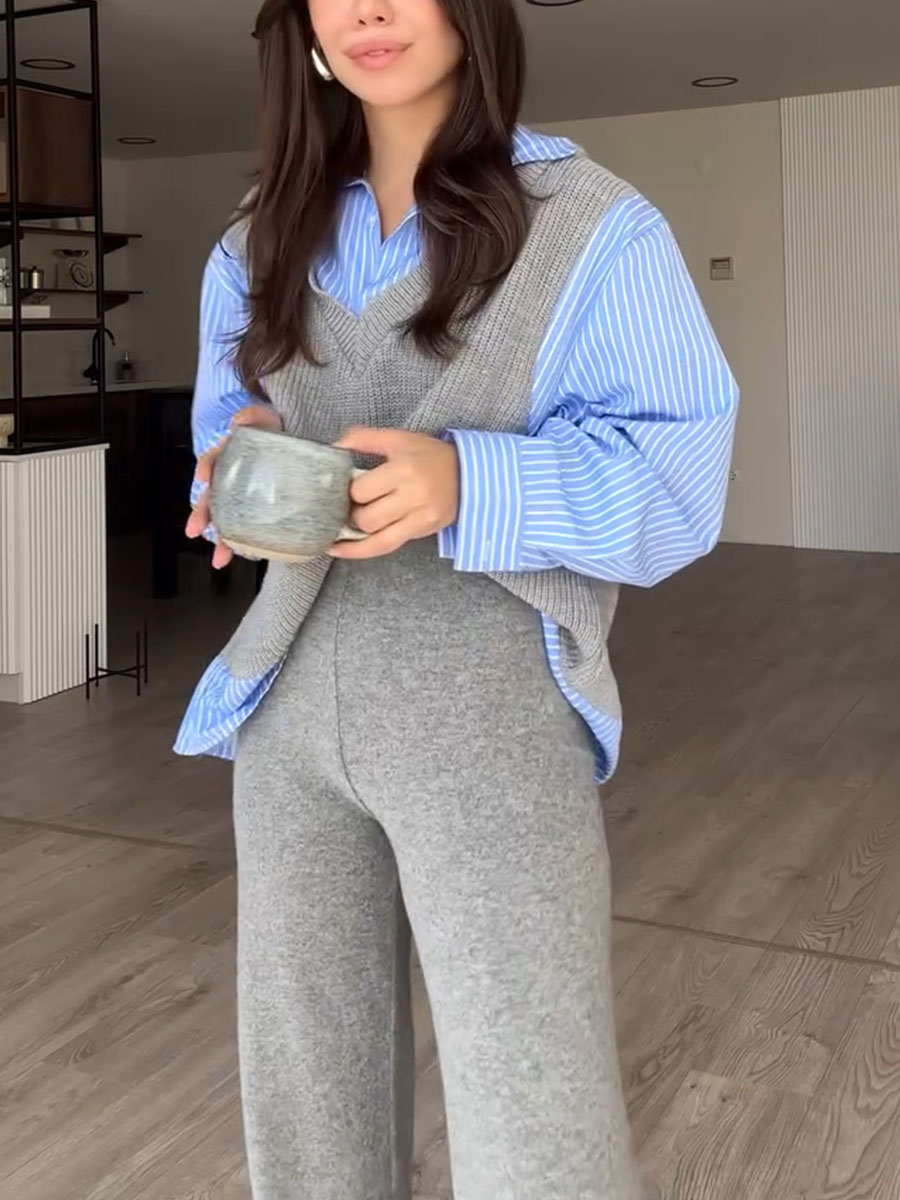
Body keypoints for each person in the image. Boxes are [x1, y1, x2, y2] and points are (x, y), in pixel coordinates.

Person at [176, 1, 739, 1196]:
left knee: (530, 1095)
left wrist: (468, 481)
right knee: (305, 1083)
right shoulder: (255, 238)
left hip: (490, 711)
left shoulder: (592, 227)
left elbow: (677, 486)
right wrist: (228, 468)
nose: (370, 9)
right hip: (286, 703)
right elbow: (225, 424)